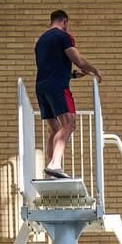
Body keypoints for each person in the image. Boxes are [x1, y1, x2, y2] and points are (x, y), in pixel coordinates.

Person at [34, 9, 102, 179]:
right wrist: (94, 70)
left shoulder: (40, 41)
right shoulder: (63, 36)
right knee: (70, 124)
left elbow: (51, 67)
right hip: (58, 88)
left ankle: (50, 172)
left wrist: (71, 75)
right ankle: (55, 165)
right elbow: (78, 60)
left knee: (55, 129)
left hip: (41, 88)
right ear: (64, 21)